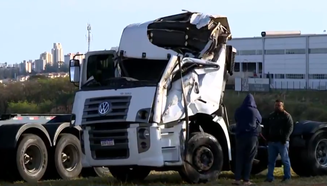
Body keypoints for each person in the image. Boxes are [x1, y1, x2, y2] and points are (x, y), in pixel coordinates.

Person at [233, 94, 262, 185]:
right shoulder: (255, 111)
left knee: (239, 158)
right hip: (251, 137)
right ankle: (246, 180)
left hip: (240, 136)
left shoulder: (239, 110)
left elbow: (236, 119)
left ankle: (237, 179)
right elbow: (260, 120)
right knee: (249, 159)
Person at [262, 99, 294, 183]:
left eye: (279, 105)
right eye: (276, 105)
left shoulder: (286, 116)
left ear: (283, 106)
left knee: (285, 160)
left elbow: (290, 128)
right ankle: (270, 177)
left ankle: (287, 177)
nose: (277, 107)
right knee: (271, 161)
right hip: (272, 142)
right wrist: (267, 137)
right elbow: (266, 127)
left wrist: (284, 138)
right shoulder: (271, 116)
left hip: (282, 142)